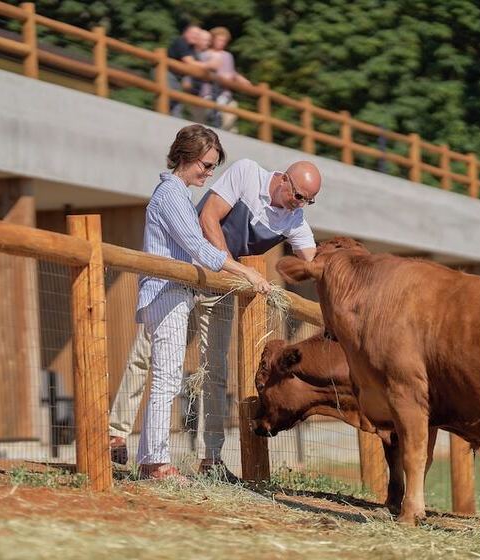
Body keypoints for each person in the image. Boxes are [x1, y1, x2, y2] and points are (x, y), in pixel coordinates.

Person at [111, 156, 322, 481]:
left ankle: (210, 457)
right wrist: (228, 266)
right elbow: (209, 216)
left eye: (309, 201)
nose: (300, 205)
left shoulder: (295, 221)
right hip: (188, 269)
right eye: (298, 196)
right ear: (283, 179)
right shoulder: (247, 174)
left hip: (223, 286)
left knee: (215, 369)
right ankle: (116, 433)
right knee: (145, 352)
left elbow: (312, 262)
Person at [135, 124, 270, 481]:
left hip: (174, 294)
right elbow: (198, 247)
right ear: (187, 157)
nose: (209, 174)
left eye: (213, 167)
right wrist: (246, 273)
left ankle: (151, 459)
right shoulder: (171, 195)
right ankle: (155, 463)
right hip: (166, 293)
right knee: (166, 380)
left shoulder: (177, 193)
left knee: (166, 379)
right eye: (206, 165)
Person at [167, 24, 219, 119]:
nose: (196, 37)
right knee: (170, 100)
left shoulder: (190, 48)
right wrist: (209, 65)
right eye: (194, 34)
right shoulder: (181, 41)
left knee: (176, 103)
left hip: (176, 78)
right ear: (186, 32)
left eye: (197, 35)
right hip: (168, 74)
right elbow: (189, 62)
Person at [204, 27, 250, 131]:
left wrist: (241, 79)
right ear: (213, 39)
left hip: (225, 93)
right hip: (210, 91)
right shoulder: (206, 54)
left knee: (229, 120)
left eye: (224, 41)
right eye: (220, 40)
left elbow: (231, 71)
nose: (222, 43)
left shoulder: (227, 56)